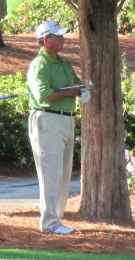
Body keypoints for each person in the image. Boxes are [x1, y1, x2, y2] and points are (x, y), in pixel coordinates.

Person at [26, 19, 90, 235]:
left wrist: (82, 90)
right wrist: (71, 91)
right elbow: (45, 95)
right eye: (58, 36)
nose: (63, 39)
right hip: (47, 119)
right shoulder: (39, 65)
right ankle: (49, 222)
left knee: (63, 172)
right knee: (50, 172)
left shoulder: (63, 62)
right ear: (46, 39)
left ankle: (57, 218)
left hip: (66, 118)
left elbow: (75, 82)